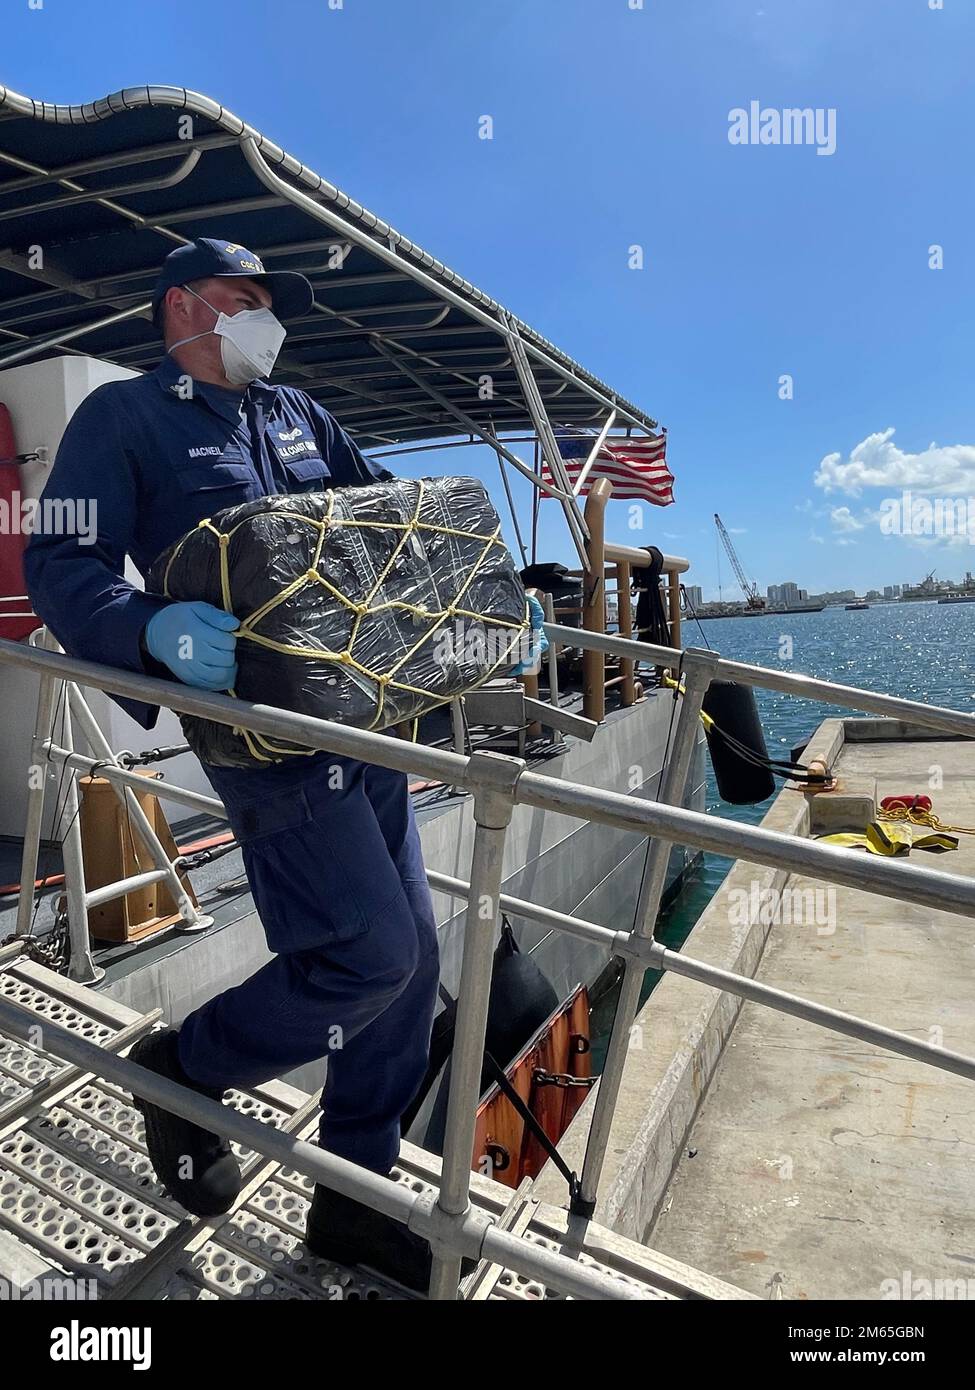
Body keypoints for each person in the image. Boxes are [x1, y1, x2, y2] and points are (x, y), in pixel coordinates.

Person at [24, 238, 445, 1290]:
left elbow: (401, 523)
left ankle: (353, 1200)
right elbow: (60, 562)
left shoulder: (301, 416)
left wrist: (490, 592)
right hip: (267, 746)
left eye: (272, 305)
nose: (268, 320)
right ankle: (184, 1066)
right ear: (182, 309)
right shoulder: (122, 418)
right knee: (366, 958)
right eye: (245, 300)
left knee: (413, 971)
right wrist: (150, 627)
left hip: (365, 724)